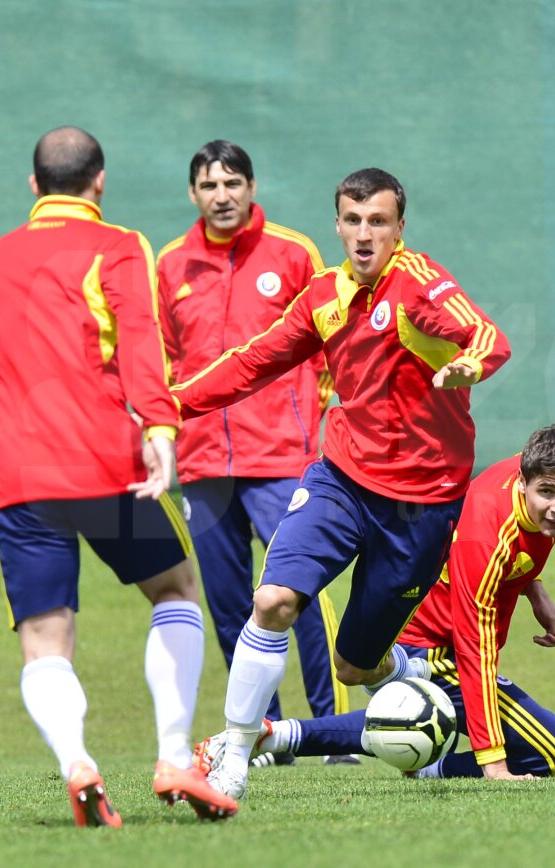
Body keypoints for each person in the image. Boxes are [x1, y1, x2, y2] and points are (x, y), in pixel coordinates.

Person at [171, 167, 511, 798]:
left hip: (422, 506)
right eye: (352, 221)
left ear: (399, 229)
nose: (364, 235)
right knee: (272, 600)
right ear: (337, 225)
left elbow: (490, 337)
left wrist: (469, 364)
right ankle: (235, 754)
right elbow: (251, 363)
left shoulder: (420, 284)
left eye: (378, 222)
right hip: (342, 480)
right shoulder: (324, 295)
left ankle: (400, 679)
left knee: (356, 665)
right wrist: (168, 404)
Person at [0, 126, 238, 827]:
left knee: (46, 638)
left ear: (34, 185)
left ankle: (77, 761)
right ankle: (171, 757)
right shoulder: (118, 245)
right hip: (108, 465)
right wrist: (161, 428)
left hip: (23, 474)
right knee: (175, 590)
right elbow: (140, 342)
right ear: (99, 180)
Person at [195, 424, 555, 781]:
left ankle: (271, 735)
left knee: (421, 722)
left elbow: (519, 547)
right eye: (548, 493)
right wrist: (494, 767)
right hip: (437, 649)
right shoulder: (486, 537)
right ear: (522, 480)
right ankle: (423, 729)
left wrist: (532, 587)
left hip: (436, 641)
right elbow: (476, 649)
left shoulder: (528, 478)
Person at [156, 140, 353, 764]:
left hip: (281, 457)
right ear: (193, 194)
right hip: (204, 463)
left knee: (304, 592)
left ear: (251, 187)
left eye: (233, 183)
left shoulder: (294, 254)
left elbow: (329, 345)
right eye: (210, 186)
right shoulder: (169, 265)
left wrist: (315, 418)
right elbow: (160, 360)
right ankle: (262, 732)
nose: (222, 196)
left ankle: (332, 732)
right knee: (226, 600)